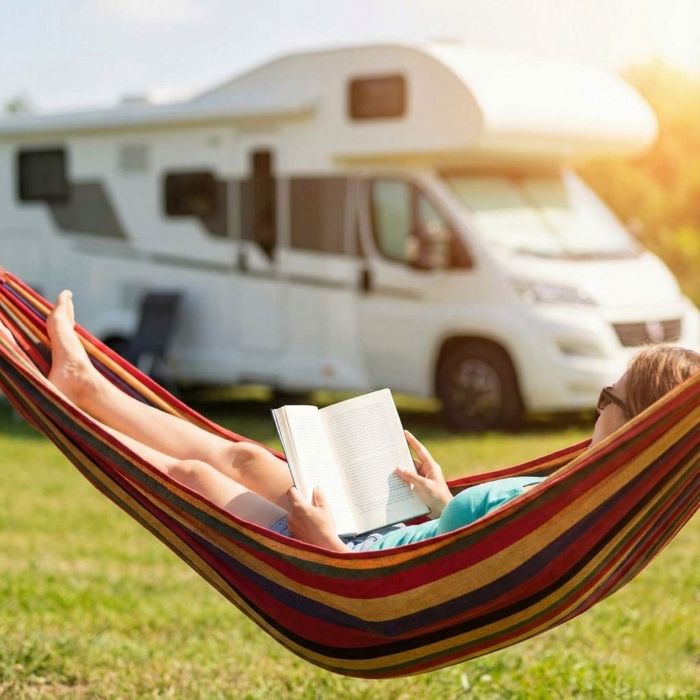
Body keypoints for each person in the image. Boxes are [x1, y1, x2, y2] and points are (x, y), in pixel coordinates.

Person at [2, 292, 699, 552]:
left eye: (607, 396)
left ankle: (60, 401)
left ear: (633, 420)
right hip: (386, 528)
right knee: (244, 457)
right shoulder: (581, 491)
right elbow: (474, 542)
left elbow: (447, 584)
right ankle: (83, 384)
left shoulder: (584, 512)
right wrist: (440, 500)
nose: (596, 406)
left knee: (189, 476)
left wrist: (324, 547)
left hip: (350, 562)